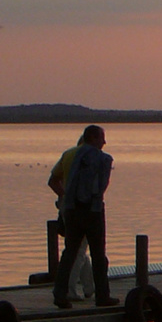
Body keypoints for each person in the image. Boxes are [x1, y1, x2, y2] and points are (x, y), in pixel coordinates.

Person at [52, 125, 115, 309]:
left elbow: (54, 180)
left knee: (70, 252)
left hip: (70, 209)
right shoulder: (101, 158)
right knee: (98, 254)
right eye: (102, 138)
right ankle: (102, 296)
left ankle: (60, 293)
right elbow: (100, 186)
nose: (104, 142)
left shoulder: (71, 154)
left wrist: (67, 201)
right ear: (93, 138)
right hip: (92, 211)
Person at [47, 128, 96, 298]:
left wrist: (64, 196)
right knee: (78, 249)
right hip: (84, 208)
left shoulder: (67, 155)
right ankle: (68, 289)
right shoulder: (91, 157)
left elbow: (52, 181)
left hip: (66, 207)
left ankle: (90, 287)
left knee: (79, 247)